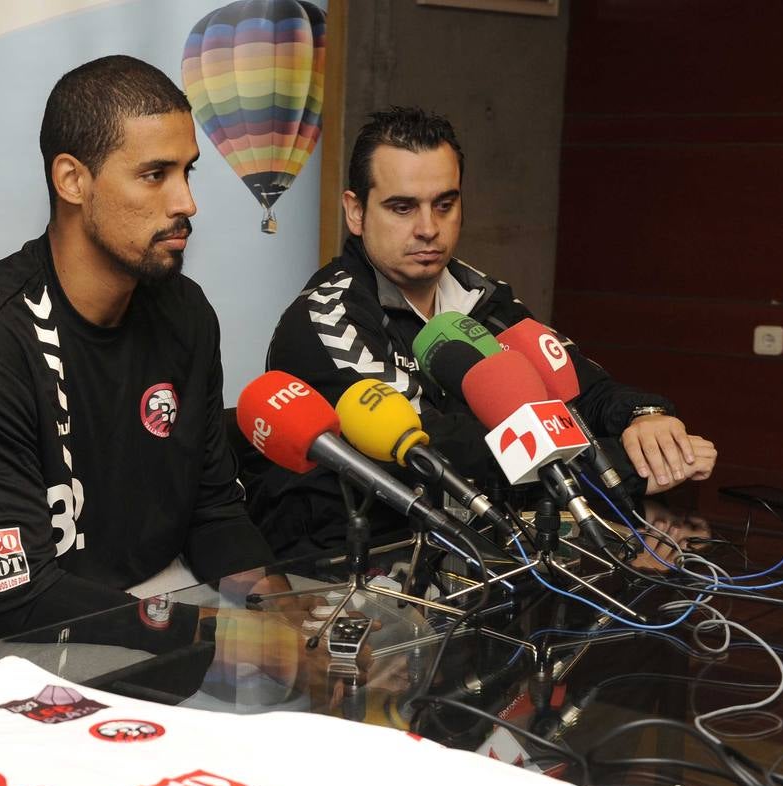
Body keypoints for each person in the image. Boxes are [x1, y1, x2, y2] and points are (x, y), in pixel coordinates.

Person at [0, 55, 277, 654]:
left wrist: (281, 617)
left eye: (188, 172)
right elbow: (22, 599)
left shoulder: (186, 312)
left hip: (158, 610)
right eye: (155, 175)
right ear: (72, 180)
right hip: (6, 647)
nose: (187, 203)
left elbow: (214, 511)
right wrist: (217, 639)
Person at [252, 106, 716, 557]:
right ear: (356, 212)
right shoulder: (326, 319)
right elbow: (443, 454)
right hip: (344, 570)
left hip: (482, 556)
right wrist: (627, 468)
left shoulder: (483, 295)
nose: (428, 229)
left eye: (445, 205)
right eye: (402, 207)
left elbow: (579, 388)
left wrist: (647, 419)